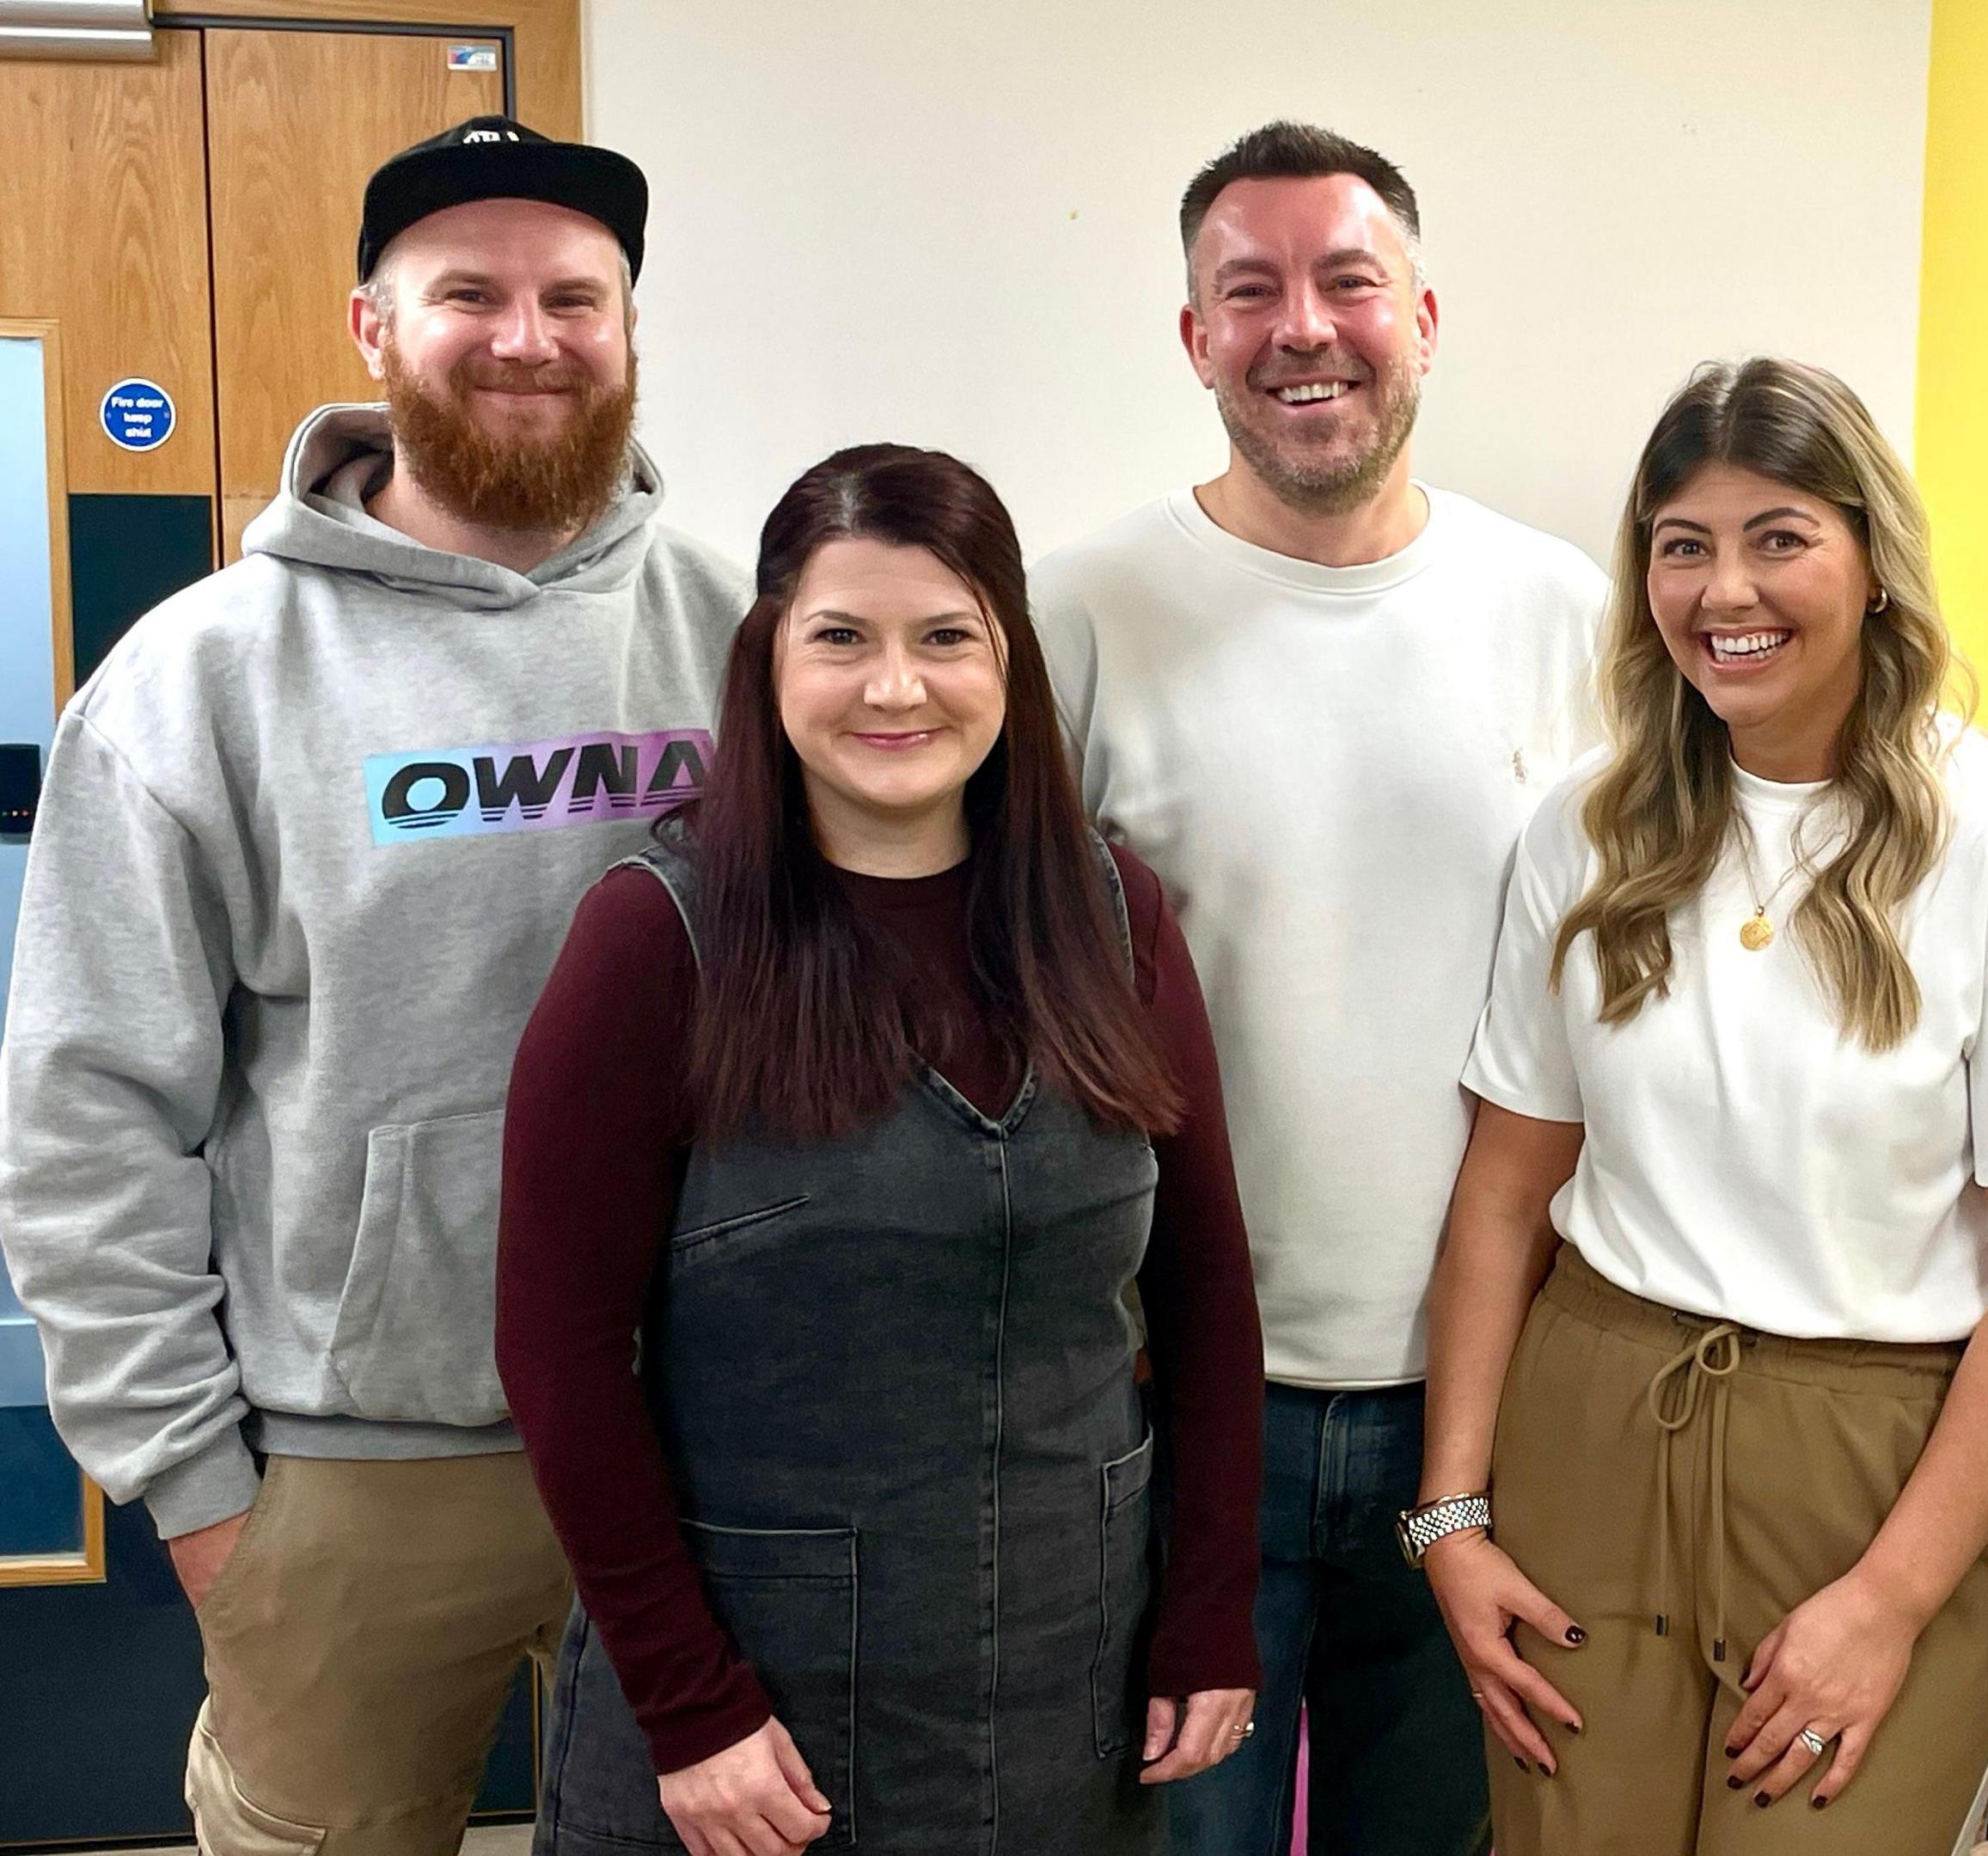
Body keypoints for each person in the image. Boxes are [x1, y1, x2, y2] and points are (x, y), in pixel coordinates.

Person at [0, 117, 743, 1855]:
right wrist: (190, 1491)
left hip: (713, 1427)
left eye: (577, 295)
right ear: (372, 329)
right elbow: (89, 1109)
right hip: (363, 1456)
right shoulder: (202, 678)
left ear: (630, 328)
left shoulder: (751, 633)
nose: (527, 334)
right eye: (466, 291)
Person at [1418, 356, 1988, 1854]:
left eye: (1779, 536)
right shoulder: (1589, 827)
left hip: (1874, 1469)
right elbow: (1504, 1191)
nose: (1722, 588)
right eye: (1681, 544)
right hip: (1594, 1433)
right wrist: (1452, 1517)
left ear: (1873, 562)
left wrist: (1887, 1602)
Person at [495, 444, 1265, 1853]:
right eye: (841, 637)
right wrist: (689, 1706)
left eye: (946, 638)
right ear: (770, 656)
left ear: (1009, 663)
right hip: (752, 1723)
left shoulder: (1113, 918)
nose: (894, 687)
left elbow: (1208, 1296)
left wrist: (1212, 1610)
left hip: (1065, 1694)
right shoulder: (654, 941)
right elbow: (557, 1355)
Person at [1030, 119, 1606, 1856]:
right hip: (1177, 1415)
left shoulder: (1566, 615)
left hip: (1488, 1407)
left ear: (1424, 315)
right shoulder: (1077, 615)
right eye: (1249, 289)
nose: (1304, 328)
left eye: (1348, 282)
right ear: (1193, 336)